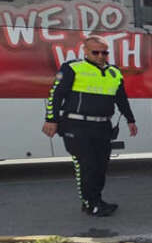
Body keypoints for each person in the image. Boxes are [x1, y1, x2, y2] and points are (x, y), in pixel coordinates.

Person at [41, 36, 137, 217]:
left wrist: (130, 120)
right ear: (85, 51)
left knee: (100, 167)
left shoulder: (114, 72)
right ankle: (90, 203)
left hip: (103, 127)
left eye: (105, 52)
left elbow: (121, 98)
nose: (101, 56)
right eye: (96, 52)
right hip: (76, 126)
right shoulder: (72, 68)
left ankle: (97, 200)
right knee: (86, 166)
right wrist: (51, 119)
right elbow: (56, 94)